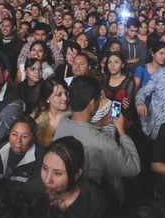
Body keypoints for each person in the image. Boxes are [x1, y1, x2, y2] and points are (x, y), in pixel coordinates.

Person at [54, 76, 140, 205]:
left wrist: (101, 123)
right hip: (97, 201)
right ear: (92, 103)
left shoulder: (62, 125)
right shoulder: (102, 143)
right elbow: (133, 167)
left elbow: (82, 128)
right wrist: (121, 131)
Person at [22, 136, 113, 218]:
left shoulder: (95, 204)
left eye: (57, 173)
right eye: (45, 168)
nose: (47, 180)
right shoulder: (31, 189)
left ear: (77, 174)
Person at [0, 114, 45, 190]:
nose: (18, 140)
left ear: (34, 138)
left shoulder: (41, 158)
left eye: (24, 136)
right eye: (14, 134)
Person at [32, 78, 71, 148]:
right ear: (47, 98)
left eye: (66, 93)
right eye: (59, 95)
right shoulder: (36, 118)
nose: (65, 98)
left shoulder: (72, 118)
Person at [103, 51, 135, 130]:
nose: (112, 65)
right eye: (109, 62)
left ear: (123, 64)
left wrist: (111, 118)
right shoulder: (104, 78)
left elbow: (125, 107)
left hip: (122, 119)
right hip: (103, 116)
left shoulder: (129, 82)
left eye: (116, 62)